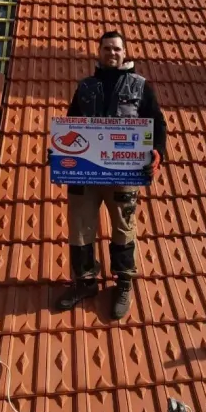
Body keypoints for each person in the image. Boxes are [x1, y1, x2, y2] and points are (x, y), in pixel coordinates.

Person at [55, 30, 167, 319]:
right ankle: (86, 282)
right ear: (99, 52)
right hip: (86, 176)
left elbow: (158, 125)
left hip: (124, 175)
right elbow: (71, 126)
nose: (112, 53)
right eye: (106, 48)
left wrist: (157, 152)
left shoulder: (141, 86)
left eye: (116, 48)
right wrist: (59, 153)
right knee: (79, 228)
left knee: (123, 228)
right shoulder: (86, 87)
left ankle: (123, 283)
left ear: (125, 52)